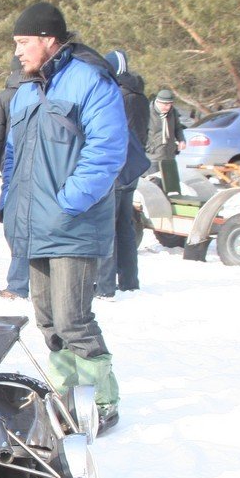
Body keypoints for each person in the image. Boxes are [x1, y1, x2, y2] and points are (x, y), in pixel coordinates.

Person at [0, 2, 128, 432]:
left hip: (72, 224)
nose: (17, 51)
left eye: (23, 42)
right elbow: (13, 155)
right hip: (35, 225)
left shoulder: (90, 80)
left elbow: (106, 149)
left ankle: (101, 401)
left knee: (74, 318)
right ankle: (70, 392)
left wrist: (70, 201)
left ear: (48, 39)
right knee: (48, 318)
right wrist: (9, 202)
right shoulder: (24, 90)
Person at [97, 49, 150, 298]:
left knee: (107, 227)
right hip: (132, 169)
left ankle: (105, 285)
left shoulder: (117, 95)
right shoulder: (139, 95)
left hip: (117, 167)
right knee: (125, 227)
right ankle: (129, 279)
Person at [0, 57, 28, 300]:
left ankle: (18, 284)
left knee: (16, 227)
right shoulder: (48, 90)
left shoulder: (5, 97)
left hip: (13, 171)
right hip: (40, 170)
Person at [146, 87, 186, 171]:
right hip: (153, 156)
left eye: (170, 104)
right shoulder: (148, 112)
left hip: (170, 155)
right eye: (165, 104)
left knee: (169, 182)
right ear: (158, 102)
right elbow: (141, 133)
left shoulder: (173, 112)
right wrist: (148, 147)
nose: (167, 107)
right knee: (155, 181)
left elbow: (178, 128)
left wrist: (182, 140)